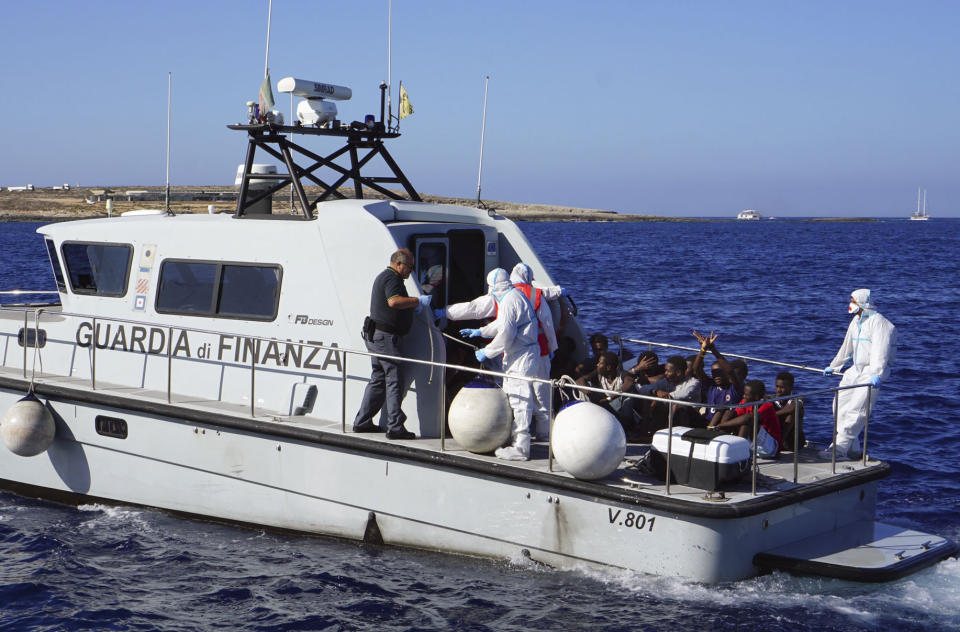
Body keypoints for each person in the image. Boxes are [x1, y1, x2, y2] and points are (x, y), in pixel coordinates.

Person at [461, 268, 540, 461]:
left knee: (520, 399)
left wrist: (486, 352)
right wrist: (480, 331)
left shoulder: (509, 301)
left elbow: (506, 334)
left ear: (495, 286)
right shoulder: (513, 297)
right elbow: (504, 324)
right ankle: (516, 442)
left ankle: (521, 449)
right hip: (520, 354)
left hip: (522, 355)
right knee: (515, 397)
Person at [352, 249, 431, 439]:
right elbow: (394, 302)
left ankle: (362, 421)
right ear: (398, 264)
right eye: (409, 267)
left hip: (377, 336)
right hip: (386, 337)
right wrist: (416, 301)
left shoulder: (387, 277)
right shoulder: (392, 278)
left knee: (379, 378)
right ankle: (395, 426)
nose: (410, 271)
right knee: (394, 379)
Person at [822, 289, 897, 459]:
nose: (851, 303)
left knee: (857, 410)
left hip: (870, 372)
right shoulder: (856, 321)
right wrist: (834, 366)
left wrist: (877, 372)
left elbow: (881, 351)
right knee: (839, 406)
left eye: (853, 300)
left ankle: (839, 448)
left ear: (864, 301)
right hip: (855, 370)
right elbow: (847, 347)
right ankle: (853, 448)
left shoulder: (881, 324)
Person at [509, 263, 560, 439]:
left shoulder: (504, 293)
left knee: (518, 392)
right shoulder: (535, 294)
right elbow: (548, 324)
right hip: (539, 349)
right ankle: (544, 432)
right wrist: (553, 347)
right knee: (541, 392)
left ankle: (519, 433)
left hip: (512, 351)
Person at [709, 380, 781, 458]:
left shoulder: (767, 406)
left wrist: (719, 425)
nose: (743, 396)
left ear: (756, 397)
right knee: (729, 413)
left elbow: (748, 418)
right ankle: (718, 445)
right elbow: (734, 414)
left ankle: (738, 456)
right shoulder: (746, 402)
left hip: (771, 448)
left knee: (746, 424)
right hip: (755, 445)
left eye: (746, 395)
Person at [576, 351, 638, 434]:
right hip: (606, 405)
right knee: (585, 388)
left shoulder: (622, 374)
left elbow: (629, 382)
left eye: (600, 363)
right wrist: (589, 393)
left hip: (619, 408)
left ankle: (625, 428)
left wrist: (611, 397)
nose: (597, 365)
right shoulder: (598, 374)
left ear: (608, 367)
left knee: (627, 397)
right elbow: (580, 380)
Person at [636, 355, 702, 431]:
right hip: (670, 412)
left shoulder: (693, 383)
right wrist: (655, 391)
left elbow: (677, 396)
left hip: (690, 417)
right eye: (665, 371)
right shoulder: (667, 381)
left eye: (668, 371)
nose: (665, 373)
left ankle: (668, 433)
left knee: (675, 405)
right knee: (648, 399)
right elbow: (643, 389)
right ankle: (646, 431)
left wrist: (659, 396)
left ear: (678, 373)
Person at [772, 371, 805, 451]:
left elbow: (792, 408)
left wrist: (772, 415)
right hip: (775, 437)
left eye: (782, 387)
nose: (778, 390)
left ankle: (779, 444)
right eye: (777, 386)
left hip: (793, 442)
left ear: (791, 387)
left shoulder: (797, 399)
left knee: (792, 414)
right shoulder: (771, 399)